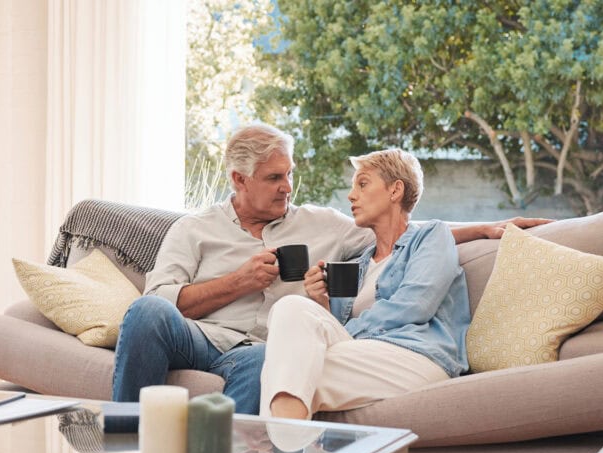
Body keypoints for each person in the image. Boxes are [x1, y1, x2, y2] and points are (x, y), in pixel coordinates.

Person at [112, 123, 546, 414]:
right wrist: (236, 283)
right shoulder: (195, 229)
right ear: (239, 180)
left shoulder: (324, 225)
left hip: (262, 349)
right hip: (204, 337)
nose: (287, 187)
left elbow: (402, 238)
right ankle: (122, 446)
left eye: (289, 175)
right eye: (273, 179)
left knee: (270, 360)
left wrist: (487, 229)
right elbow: (161, 300)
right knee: (146, 313)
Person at [261, 148, 469, 419]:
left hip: (417, 355)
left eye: (362, 183)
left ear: (395, 191)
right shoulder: (358, 266)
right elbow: (330, 330)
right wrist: (322, 303)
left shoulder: (431, 236)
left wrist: (348, 333)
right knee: (291, 322)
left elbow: (415, 306)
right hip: (363, 356)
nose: (351, 195)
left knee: (287, 369)